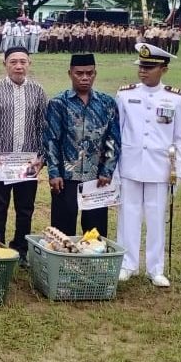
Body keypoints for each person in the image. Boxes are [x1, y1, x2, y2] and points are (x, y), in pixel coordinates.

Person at [115, 44, 181, 287]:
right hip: (131, 164)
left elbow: (180, 138)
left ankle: (155, 268)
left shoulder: (175, 97)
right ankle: (128, 263)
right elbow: (118, 133)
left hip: (159, 167)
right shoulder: (125, 94)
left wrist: (177, 171)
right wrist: (115, 169)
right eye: (141, 67)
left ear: (163, 69)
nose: (143, 71)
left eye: (149, 67)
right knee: (129, 214)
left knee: (156, 217)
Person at [0, 47, 47, 263]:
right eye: (13, 62)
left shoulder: (38, 91)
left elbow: (42, 127)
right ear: (5, 64)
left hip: (28, 162)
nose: (18, 66)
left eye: (23, 62)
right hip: (1, 162)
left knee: (25, 209)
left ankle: (21, 249)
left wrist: (41, 158)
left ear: (29, 64)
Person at [42, 53, 120, 237]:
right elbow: (51, 140)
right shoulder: (58, 103)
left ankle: (91, 264)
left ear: (95, 74)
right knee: (62, 230)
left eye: (89, 73)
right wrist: (54, 173)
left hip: (96, 177)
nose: (85, 78)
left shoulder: (106, 103)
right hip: (66, 177)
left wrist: (107, 170)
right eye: (79, 73)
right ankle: (62, 263)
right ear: (70, 73)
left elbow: (113, 139)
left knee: (95, 232)